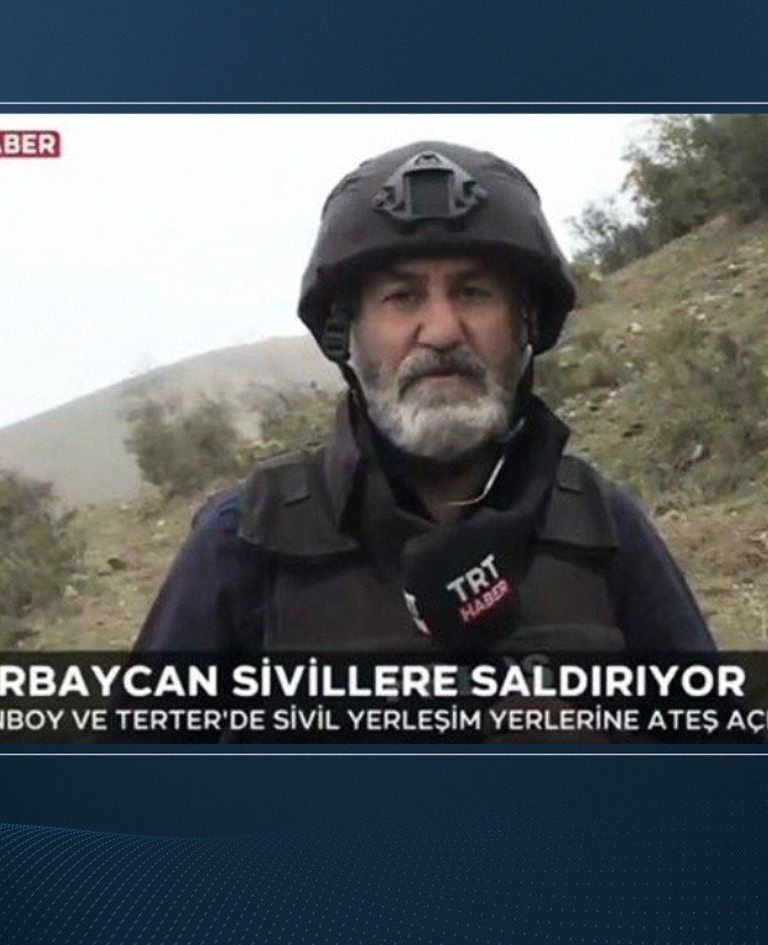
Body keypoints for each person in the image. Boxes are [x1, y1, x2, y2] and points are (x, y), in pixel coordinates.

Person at [130, 141, 715, 654]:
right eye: (403, 298)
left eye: (474, 293)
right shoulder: (246, 539)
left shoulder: (603, 526)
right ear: (345, 335)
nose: (441, 332)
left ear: (526, 325)